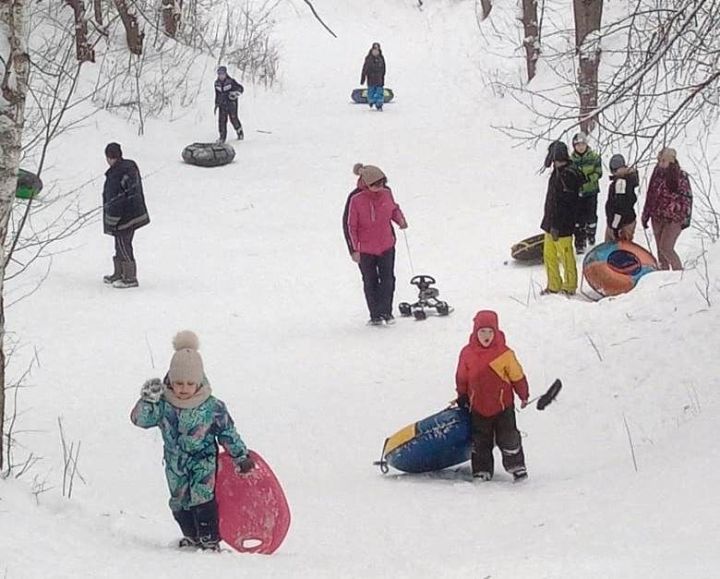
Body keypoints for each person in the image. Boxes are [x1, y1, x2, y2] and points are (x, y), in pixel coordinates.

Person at [131, 331, 254, 551]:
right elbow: (139, 420)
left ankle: (209, 540)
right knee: (179, 500)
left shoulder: (212, 407)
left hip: (203, 461)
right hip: (175, 462)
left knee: (201, 496)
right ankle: (192, 538)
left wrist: (240, 456)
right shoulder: (163, 405)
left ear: (198, 382)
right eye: (178, 383)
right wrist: (147, 400)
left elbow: (227, 432)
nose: (184, 388)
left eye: (190, 383)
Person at [455, 310, 529, 482]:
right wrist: (462, 395)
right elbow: (461, 377)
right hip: (478, 407)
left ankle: (516, 467)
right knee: (481, 441)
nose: (486, 336)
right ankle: (482, 470)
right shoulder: (467, 353)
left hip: (503, 406)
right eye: (482, 332)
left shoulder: (505, 353)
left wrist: (523, 394)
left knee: (509, 437)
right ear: (475, 332)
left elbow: (517, 376)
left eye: (490, 331)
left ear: (496, 332)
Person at [344, 163, 407, 325]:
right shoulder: (355, 199)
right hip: (365, 249)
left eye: (382, 183)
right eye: (375, 184)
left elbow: (393, 209)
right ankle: (375, 315)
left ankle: (387, 312)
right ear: (366, 183)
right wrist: (354, 249)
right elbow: (350, 225)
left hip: (386, 244)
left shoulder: (387, 193)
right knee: (370, 280)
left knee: (388, 279)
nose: (379, 187)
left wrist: (400, 219)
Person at [102, 142, 150, 289]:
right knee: (120, 243)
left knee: (123, 243)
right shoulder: (128, 168)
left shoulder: (118, 173)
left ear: (110, 157)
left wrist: (112, 219)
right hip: (133, 212)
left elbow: (117, 199)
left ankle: (130, 277)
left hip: (125, 216)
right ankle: (119, 273)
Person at [541, 141, 585, 295]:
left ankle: (569, 286)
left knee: (566, 257)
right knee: (549, 256)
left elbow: (567, 205)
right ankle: (554, 284)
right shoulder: (557, 172)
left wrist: (557, 225)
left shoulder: (569, 175)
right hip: (550, 223)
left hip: (563, 226)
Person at [641, 147, 692, 270]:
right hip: (657, 216)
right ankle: (663, 276)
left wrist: (685, 218)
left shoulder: (680, 176)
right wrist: (646, 214)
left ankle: (679, 273)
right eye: (660, 160)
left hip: (674, 218)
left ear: (671, 161)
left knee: (666, 248)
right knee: (660, 251)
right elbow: (650, 194)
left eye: (664, 160)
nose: (661, 163)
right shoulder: (656, 173)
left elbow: (687, 198)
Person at [570, 132, 603, 253]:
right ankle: (580, 241)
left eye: (583, 144)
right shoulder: (571, 160)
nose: (580, 147)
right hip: (577, 193)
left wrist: (589, 178)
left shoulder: (594, 157)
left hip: (591, 191)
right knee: (578, 219)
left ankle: (591, 234)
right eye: (578, 145)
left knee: (591, 215)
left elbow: (599, 172)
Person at [605, 154, 639, 242]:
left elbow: (620, 208)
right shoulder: (622, 181)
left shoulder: (621, 183)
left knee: (621, 250)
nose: (615, 172)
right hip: (616, 222)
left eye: (617, 169)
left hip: (622, 224)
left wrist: (615, 227)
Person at [214, 66, 244, 143]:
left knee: (233, 119)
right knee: (222, 121)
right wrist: (216, 104)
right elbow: (217, 94)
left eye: (222, 74)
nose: (221, 76)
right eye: (219, 74)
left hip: (231, 103)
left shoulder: (231, 81)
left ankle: (239, 132)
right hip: (222, 104)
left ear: (225, 74)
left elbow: (240, 88)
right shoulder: (216, 83)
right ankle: (222, 137)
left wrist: (235, 93)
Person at [360, 43, 386, 111]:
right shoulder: (369, 59)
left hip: (379, 80)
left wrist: (383, 77)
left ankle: (379, 105)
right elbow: (365, 69)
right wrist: (363, 78)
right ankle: (371, 101)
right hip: (371, 80)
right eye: (374, 50)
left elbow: (383, 69)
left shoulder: (381, 58)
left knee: (379, 93)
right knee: (371, 92)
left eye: (377, 50)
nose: (375, 52)